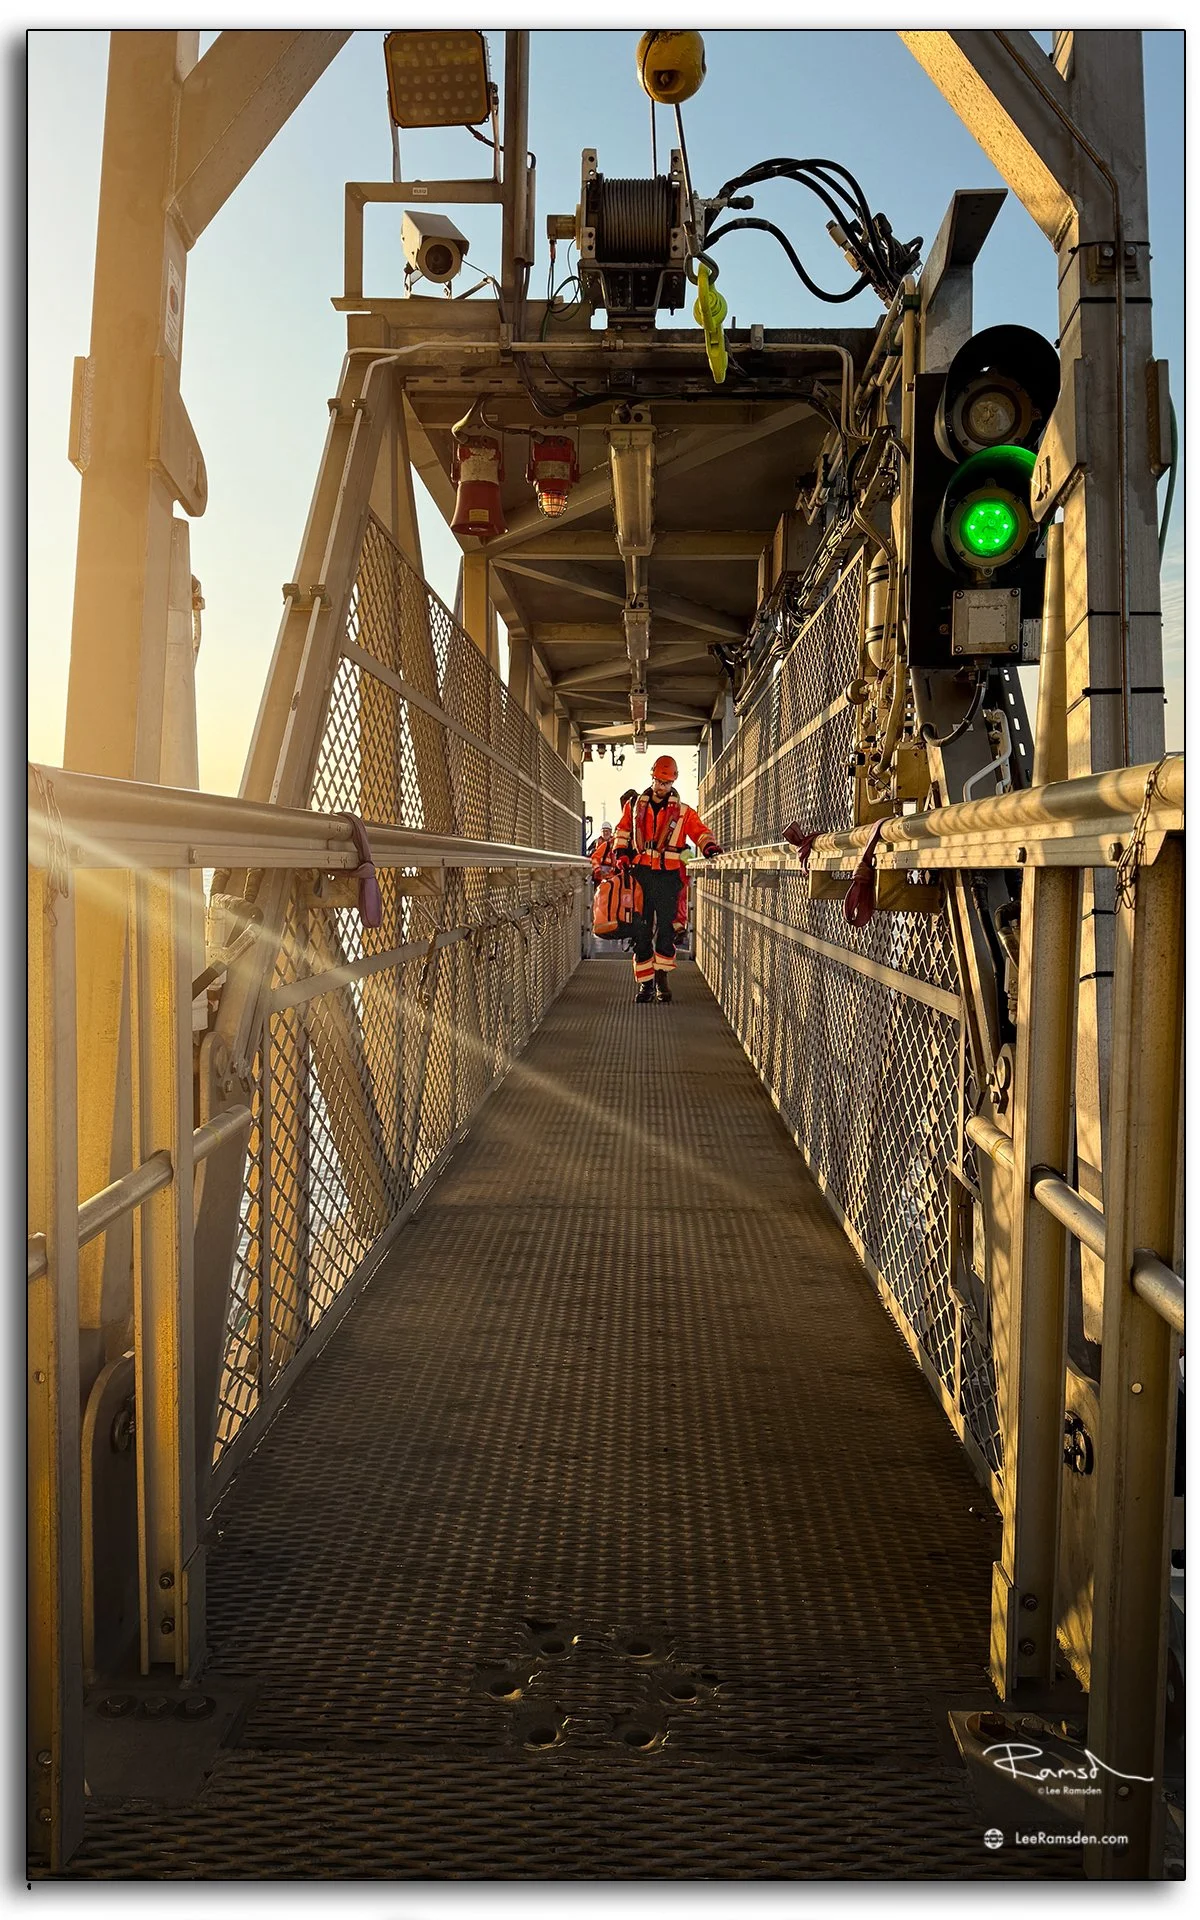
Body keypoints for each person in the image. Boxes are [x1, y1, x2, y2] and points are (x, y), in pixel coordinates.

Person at [612, 756, 721, 1002]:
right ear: (651, 778)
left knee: (665, 932)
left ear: (673, 782)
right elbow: (623, 831)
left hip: (669, 878)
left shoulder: (683, 813)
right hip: (641, 875)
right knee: (640, 930)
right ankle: (645, 985)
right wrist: (621, 853)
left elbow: (700, 832)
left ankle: (662, 979)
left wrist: (709, 847)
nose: (660, 786)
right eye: (657, 781)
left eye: (665, 782)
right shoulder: (633, 806)